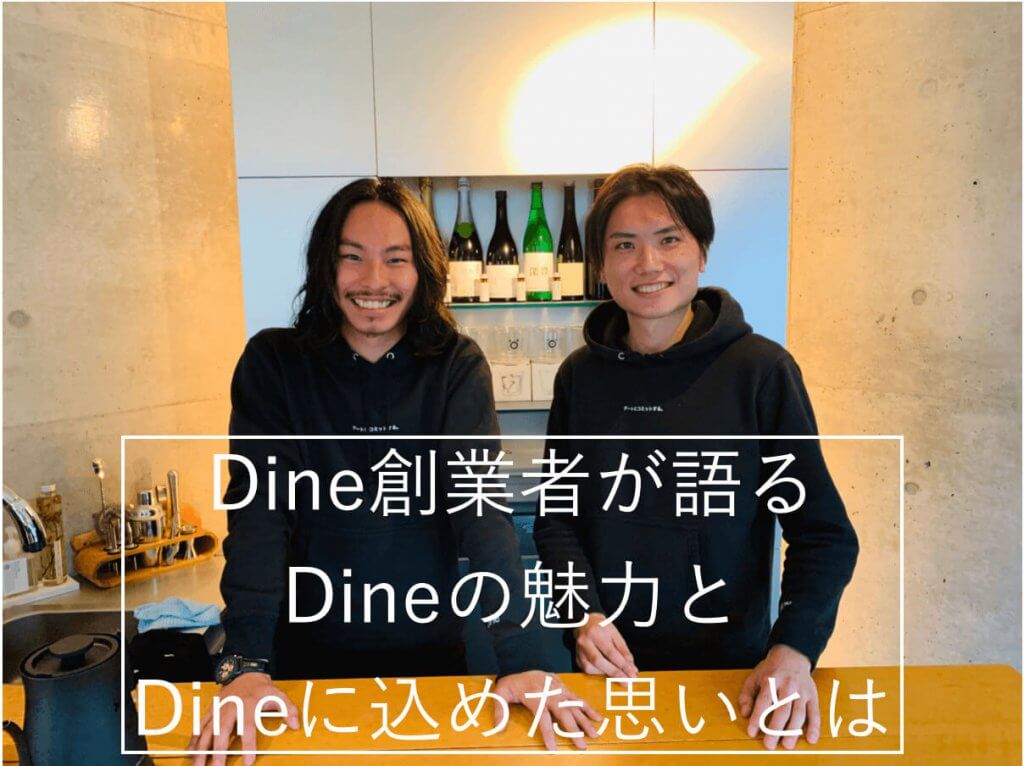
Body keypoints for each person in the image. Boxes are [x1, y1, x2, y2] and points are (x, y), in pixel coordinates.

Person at [190, 178, 599, 765]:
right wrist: (246, 663)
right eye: (352, 257)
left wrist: (523, 657)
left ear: (423, 269)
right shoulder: (275, 363)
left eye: (396, 259)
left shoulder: (454, 365)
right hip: (299, 670)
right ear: (325, 265)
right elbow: (258, 515)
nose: (374, 280)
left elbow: (481, 513)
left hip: (428, 659)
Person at [532, 164, 859, 751]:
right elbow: (558, 519)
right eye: (624, 245)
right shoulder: (580, 377)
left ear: (702, 252)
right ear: (600, 266)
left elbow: (824, 534)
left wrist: (794, 650)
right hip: (607, 676)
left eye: (669, 239)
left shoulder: (760, 371)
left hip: (732, 678)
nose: (648, 263)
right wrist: (582, 615)